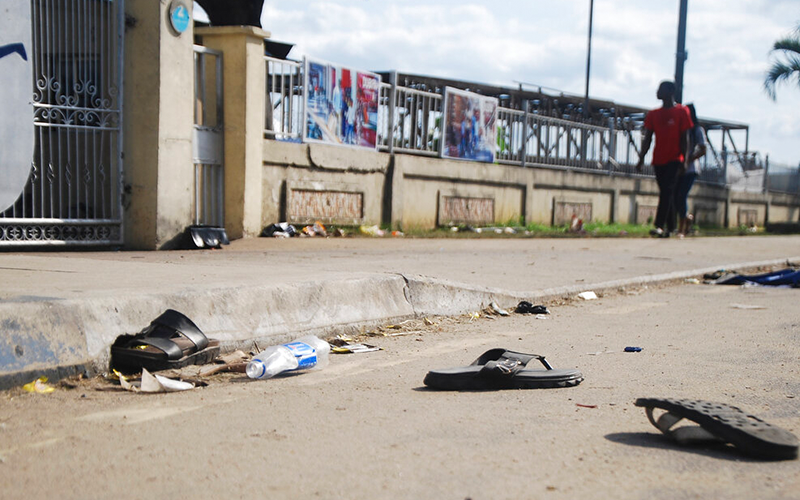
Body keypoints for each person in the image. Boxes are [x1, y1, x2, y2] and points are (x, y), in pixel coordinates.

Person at [636, 81, 694, 237]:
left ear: (670, 91)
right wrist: (641, 158)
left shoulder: (682, 111)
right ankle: (671, 227)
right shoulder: (653, 114)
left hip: (675, 158)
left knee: (667, 190)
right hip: (659, 160)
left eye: (660, 89)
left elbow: (684, 138)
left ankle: (659, 225)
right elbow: (647, 138)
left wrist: (685, 159)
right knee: (666, 192)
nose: (657, 92)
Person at [675, 103, 707, 238]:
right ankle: (687, 217)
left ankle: (681, 229)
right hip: (678, 168)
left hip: (691, 170)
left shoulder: (697, 130)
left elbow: (703, 149)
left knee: (682, 196)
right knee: (675, 198)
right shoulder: (680, 128)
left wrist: (689, 160)